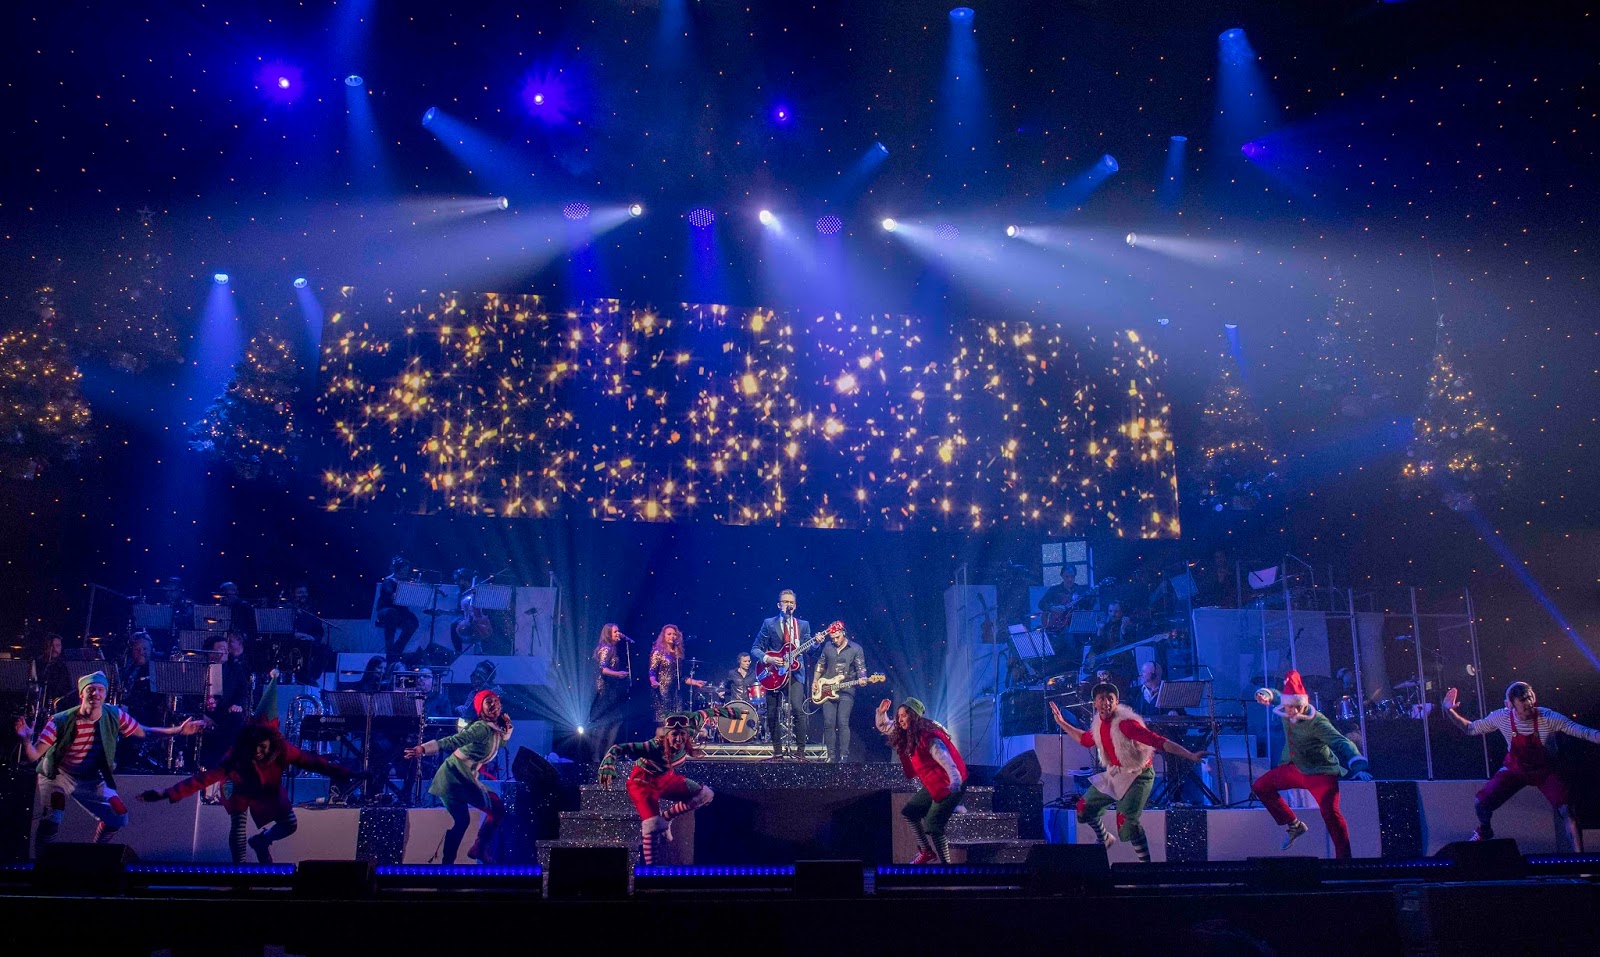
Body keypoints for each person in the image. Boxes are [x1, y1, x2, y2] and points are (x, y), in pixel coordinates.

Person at [141, 675, 353, 862]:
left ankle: (261, 842)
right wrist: (166, 793)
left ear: (271, 743)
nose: (258, 751)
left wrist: (348, 774)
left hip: (267, 790)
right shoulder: (238, 754)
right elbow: (204, 779)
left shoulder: (282, 750)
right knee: (238, 825)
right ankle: (240, 870)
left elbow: (313, 762)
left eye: (263, 747)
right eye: (255, 746)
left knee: (290, 824)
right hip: (238, 787)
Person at [14, 671, 201, 845]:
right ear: (82, 694)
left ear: (105, 695)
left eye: (100, 690)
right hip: (58, 775)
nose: (96, 694)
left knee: (119, 816)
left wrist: (177, 730)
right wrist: (25, 740)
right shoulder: (60, 720)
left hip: (92, 778)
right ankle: (43, 863)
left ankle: (96, 854)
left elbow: (144, 732)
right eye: (91, 689)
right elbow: (33, 756)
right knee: (54, 817)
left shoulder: (114, 714)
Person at [1050, 682, 1207, 862]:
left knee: (1126, 824)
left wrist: (1190, 755)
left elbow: (1159, 741)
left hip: (1139, 775)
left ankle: (1146, 867)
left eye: (1110, 699)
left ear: (1116, 702)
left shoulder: (1126, 724)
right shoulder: (1098, 724)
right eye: (1101, 699)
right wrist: (1062, 723)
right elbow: (1085, 739)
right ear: (1095, 703)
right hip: (1117, 773)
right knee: (1084, 809)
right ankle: (1104, 838)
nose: (1106, 703)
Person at [1443, 682, 1600, 851]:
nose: (1528, 708)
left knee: (1567, 809)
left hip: (1545, 771)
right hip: (1515, 769)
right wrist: (1449, 710)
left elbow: (1582, 731)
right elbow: (1470, 729)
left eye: (1530, 701)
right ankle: (1485, 830)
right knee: (1480, 803)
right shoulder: (1501, 717)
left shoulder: (1547, 717)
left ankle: (1580, 860)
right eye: (1523, 704)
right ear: (1509, 705)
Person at [1251, 671, 1372, 858]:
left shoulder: (1318, 722)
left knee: (1331, 814)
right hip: (1294, 767)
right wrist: (1265, 694)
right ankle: (1294, 825)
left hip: (1320, 772)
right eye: (1286, 707)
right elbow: (1275, 695)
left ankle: (1345, 860)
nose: (1288, 712)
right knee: (1261, 786)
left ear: (1301, 705)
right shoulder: (1286, 707)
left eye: (1292, 708)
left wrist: (1356, 761)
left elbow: (1341, 742)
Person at [598, 704, 737, 865]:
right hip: (643, 782)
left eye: (682, 734)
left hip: (666, 778)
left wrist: (730, 712)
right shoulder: (653, 746)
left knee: (704, 795)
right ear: (667, 735)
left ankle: (667, 817)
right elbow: (618, 748)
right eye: (674, 735)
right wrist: (607, 765)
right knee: (652, 827)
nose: (679, 739)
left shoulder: (691, 731)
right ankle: (652, 871)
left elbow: (705, 713)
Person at [403, 689, 512, 864]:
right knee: (493, 809)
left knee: (464, 820)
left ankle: (465, 855)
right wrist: (423, 749)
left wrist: (507, 729)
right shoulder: (481, 728)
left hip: (464, 775)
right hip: (455, 775)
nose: (494, 705)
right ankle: (470, 853)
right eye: (488, 702)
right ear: (480, 709)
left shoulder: (493, 730)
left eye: (495, 701)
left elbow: (500, 743)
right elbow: (454, 741)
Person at [876, 697, 967, 864]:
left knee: (932, 825)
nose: (900, 719)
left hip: (950, 781)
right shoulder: (905, 732)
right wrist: (881, 713)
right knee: (910, 812)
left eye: (904, 715)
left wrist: (955, 780)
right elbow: (886, 727)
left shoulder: (928, 736)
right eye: (899, 716)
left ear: (913, 715)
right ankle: (926, 852)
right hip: (934, 781)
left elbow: (946, 760)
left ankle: (947, 868)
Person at [752, 589, 814, 760]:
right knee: (772, 712)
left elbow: (808, 649)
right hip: (774, 674)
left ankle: (800, 753)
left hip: (795, 673)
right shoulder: (769, 623)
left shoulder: (802, 625)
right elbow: (755, 648)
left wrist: (816, 643)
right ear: (779, 605)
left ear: (795, 605)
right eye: (785, 602)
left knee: (797, 710)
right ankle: (778, 752)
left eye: (791, 602)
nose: (789, 605)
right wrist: (768, 659)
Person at [813, 623, 866, 763]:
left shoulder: (855, 648)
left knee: (843, 721)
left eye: (837, 637)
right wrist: (815, 681)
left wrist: (863, 678)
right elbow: (820, 664)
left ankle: (844, 756)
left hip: (846, 689)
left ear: (843, 632)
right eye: (832, 638)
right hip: (827, 689)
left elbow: (861, 667)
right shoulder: (828, 647)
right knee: (828, 722)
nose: (835, 640)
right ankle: (830, 755)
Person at [648, 624, 705, 727]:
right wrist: (653, 681)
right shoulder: (658, 652)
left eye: (674, 634)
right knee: (663, 722)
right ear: (663, 636)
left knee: (676, 722)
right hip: (662, 692)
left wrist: (695, 682)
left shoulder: (678, 655)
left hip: (675, 693)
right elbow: (652, 671)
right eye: (669, 634)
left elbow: (682, 677)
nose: (672, 636)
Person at [590, 623, 631, 760]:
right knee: (606, 723)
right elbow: (602, 668)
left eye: (619, 631)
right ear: (608, 634)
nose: (618, 634)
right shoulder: (606, 648)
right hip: (605, 691)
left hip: (612, 690)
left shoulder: (612, 649)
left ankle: (607, 754)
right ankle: (597, 756)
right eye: (615, 632)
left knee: (615, 721)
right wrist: (617, 674)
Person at [374, 556, 420, 666]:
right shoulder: (388, 581)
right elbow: (392, 596)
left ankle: (396, 650)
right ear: (397, 569)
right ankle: (389, 650)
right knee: (391, 614)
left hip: (400, 611)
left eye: (406, 570)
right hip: (386, 610)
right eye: (403, 569)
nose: (405, 572)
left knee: (413, 621)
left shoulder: (406, 582)